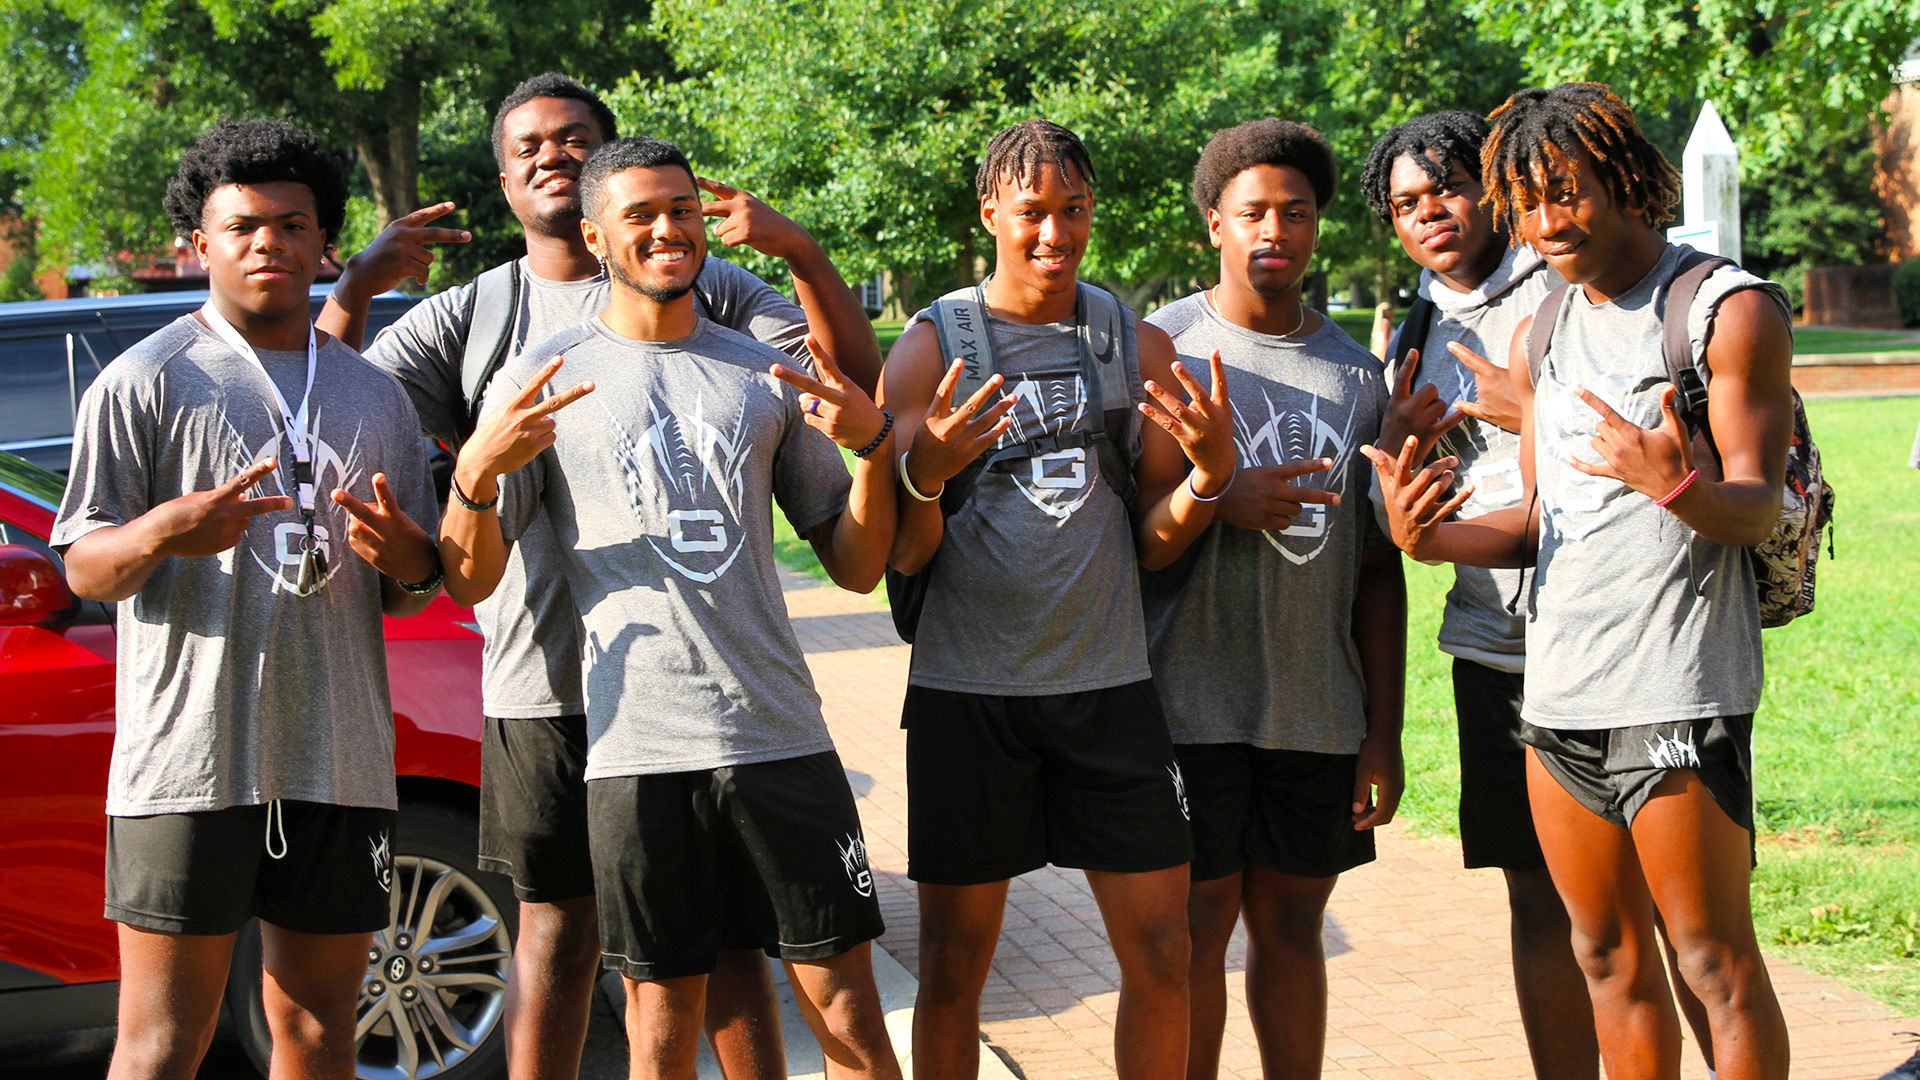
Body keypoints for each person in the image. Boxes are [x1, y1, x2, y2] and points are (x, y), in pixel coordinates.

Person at [317, 72, 881, 1080]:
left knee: (735, 948)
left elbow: (834, 389)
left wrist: (802, 257)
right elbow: (330, 400)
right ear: (508, 179)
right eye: (529, 144)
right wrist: (355, 291)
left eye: (574, 136)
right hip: (545, 679)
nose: (551, 152)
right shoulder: (481, 315)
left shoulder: (712, 294)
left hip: (709, 691)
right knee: (568, 938)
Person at [1366, 82, 1794, 1080]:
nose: (1547, 223)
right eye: (1527, 202)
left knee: (1711, 960)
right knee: (1602, 955)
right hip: (1555, 695)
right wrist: (1434, 542)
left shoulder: (1724, 311)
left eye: (1567, 193)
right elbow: (1540, 526)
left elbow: (1755, 506)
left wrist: (1675, 485)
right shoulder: (1546, 327)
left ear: (1626, 179)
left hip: (1676, 685)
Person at [52, 118, 443, 1080]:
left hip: (342, 761)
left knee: (317, 1037)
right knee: (160, 1046)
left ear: (323, 244)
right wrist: (161, 532)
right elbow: (82, 568)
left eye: (291, 224)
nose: (268, 243)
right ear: (201, 245)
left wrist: (409, 558)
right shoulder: (141, 380)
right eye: (242, 227)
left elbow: (415, 589)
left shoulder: (375, 395)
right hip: (190, 764)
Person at [880, 119, 1238, 1080]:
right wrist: (923, 472)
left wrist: (1207, 478)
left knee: (1165, 954)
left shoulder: (1133, 341)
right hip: (970, 694)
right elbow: (903, 555)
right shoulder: (931, 350)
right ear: (990, 212)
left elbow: (1153, 542)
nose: (1054, 233)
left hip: (1111, 689)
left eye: (1072, 210)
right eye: (1031, 212)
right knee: (955, 966)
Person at [1139, 118, 1404, 1080]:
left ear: (1317, 227)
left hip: (1315, 710)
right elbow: (1139, 539)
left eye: (1296, 213)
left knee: (1293, 928)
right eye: (1253, 212)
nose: (1275, 231)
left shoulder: (1355, 374)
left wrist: (1384, 731)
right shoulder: (1164, 346)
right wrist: (1218, 496)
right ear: (1216, 222)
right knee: (1195, 931)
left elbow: (1377, 569)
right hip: (1187, 704)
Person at [1358, 110, 1598, 1080]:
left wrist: (1529, 406)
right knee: (1534, 896)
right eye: (1409, 205)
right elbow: (1395, 519)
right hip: (1494, 654)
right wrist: (1400, 441)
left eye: (1449, 190)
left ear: (1491, 189)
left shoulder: (1568, 284)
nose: (1433, 215)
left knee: (1660, 908)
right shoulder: (1412, 334)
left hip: (1609, 640)